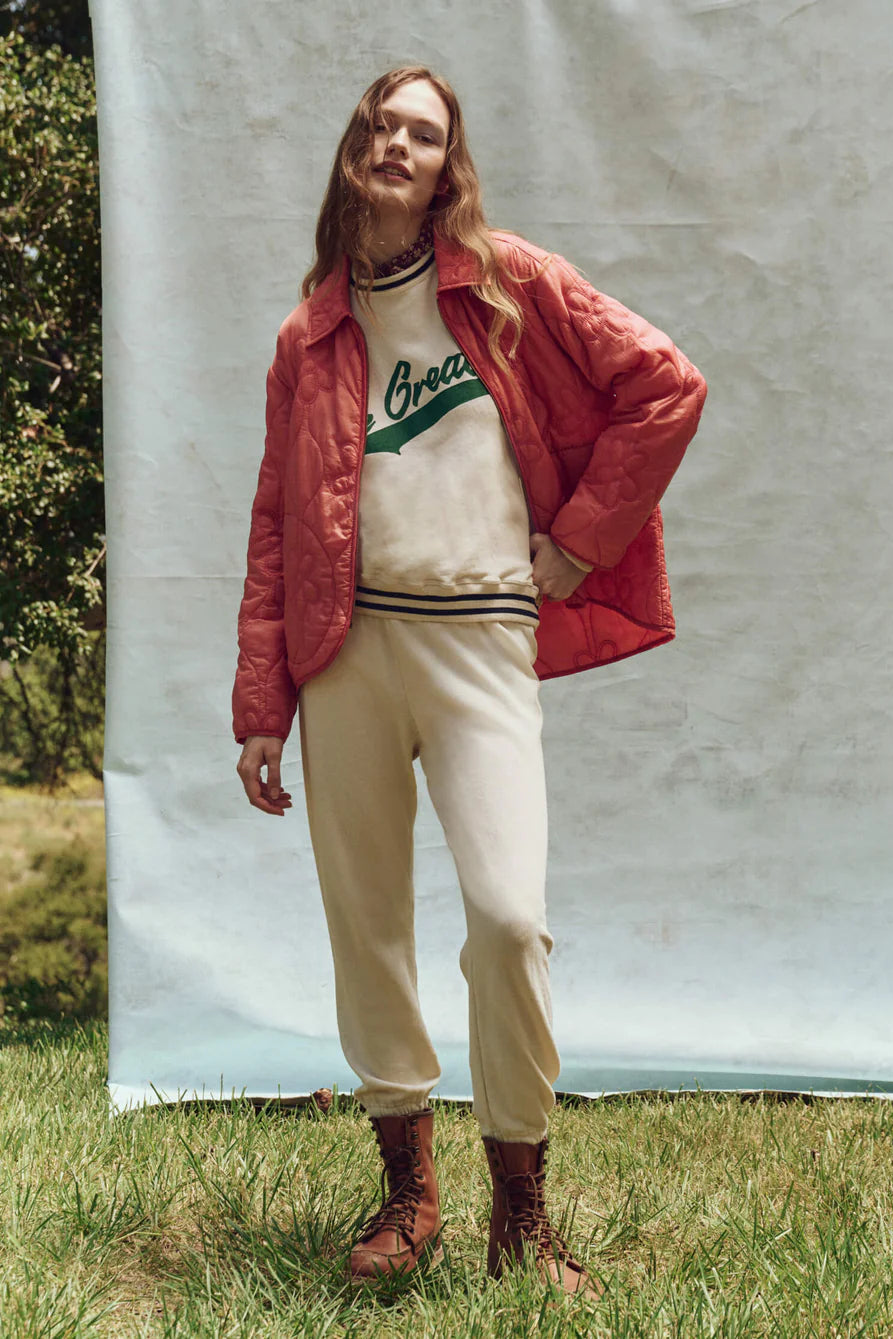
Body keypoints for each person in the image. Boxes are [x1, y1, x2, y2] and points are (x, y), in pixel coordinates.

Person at [231, 65, 706, 1299]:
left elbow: (665, 385)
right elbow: (276, 528)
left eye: (423, 132)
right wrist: (260, 708)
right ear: (355, 149)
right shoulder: (308, 336)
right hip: (345, 651)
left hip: (481, 634)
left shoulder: (508, 283)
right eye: (381, 124)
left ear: (450, 163)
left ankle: (522, 1211)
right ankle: (410, 1191)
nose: (398, 143)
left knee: (506, 920)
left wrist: (579, 541)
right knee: (367, 923)